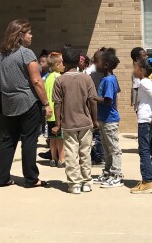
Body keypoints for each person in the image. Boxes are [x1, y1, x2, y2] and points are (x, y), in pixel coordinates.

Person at [0, 19, 51, 189]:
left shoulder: (1, 55)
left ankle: (1, 177)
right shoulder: (26, 53)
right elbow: (37, 81)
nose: (31, 36)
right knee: (29, 140)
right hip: (28, 101)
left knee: (8, 140)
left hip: (8, 102)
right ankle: (31, 178)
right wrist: (46, 103)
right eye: (29, 33)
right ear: (20, 35)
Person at [52, 47, 98, 195]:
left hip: (68, 124)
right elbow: (93, 101)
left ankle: (74, 184)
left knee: (71, 154)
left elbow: (57, 103)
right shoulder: (86, 78)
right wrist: (95, 120)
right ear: (79, 61)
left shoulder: (59, 80)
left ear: (63, 62)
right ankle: (87, 182)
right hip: (86, 122)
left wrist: (58, 124)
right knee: (85, 153)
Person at [131, 56, 152, 194]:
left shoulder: (144, 83)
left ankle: (147, 182)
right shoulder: (148, 82)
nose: (134, 70)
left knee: (144, 151)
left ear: (142, 70)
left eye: (136, 68)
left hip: (146, 121)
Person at [94, 50, 123, 188]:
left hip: (110, 119)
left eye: (97, 61)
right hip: (103, 119)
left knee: (113, 148)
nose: (95, 64)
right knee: (106, 148)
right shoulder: (107, 79)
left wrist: (93, 97)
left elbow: (107, 101)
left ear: (105, 65)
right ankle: (108, 172)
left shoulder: (110, 80)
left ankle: (117, 174)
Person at [43, 52, 65, 168]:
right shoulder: (59, 78)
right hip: (58, 113)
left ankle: (53, 158)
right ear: (57, 65)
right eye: (62, 62)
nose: (63, 65)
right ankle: (62, 159)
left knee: (52, 137)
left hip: (49, 113)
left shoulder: (47, 78)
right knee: (60, 138)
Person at [129, 47, 147, 112]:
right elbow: (136, 88)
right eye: (144, 56)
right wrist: (135, 102)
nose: (146, 57)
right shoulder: (138, 72)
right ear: (137, 59)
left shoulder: (144, 69)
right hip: (142, 101)